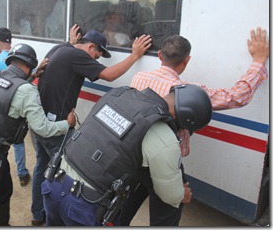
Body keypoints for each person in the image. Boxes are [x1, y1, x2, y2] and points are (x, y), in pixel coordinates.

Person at [120, 27, 269, 226]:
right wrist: (259, 61)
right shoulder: (188, 93)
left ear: (160, 55)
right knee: (166, 214)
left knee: (123, 205)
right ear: (187, 60)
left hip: (135, 154)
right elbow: (236, 96)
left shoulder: (139, 78)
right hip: (166, 161)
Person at [30, 25, 152, 226]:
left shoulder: (61, 48)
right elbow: (110, 75)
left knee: (41, 167)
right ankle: (61, 217)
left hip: (41, 122)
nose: (95, 59)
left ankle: (37, 214)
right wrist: (135, 55)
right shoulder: (78, 56)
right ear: (91, 46)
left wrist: (72, 40)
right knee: (70, 175)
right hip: (57, 128)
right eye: (97, 54)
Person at [42, 84, 213, 226]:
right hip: (83, 208)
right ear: (185, 119)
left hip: (53, 184)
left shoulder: (118, 93)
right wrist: (182, 193)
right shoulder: (164, 136)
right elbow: (170, 195)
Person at [0, 43, 76, 226]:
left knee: (3, 192)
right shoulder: (26, 90)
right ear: (28, 66)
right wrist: (66, 124)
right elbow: (42, 128)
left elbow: (11, 91)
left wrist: (33, 75)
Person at [0, 27, 31, 187]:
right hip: (18, 107)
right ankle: (22, 173)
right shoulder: (19, 59)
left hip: (1, 110)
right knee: (18, 141)